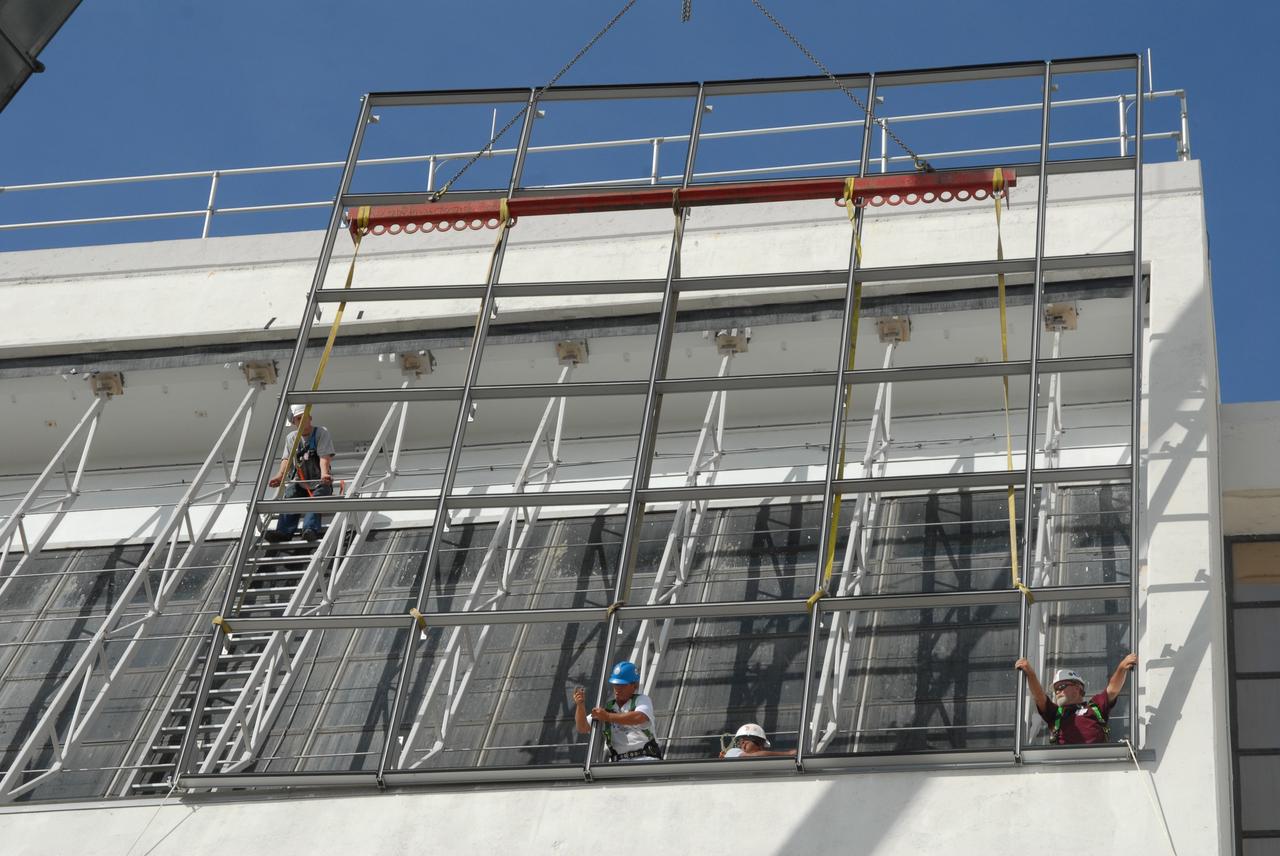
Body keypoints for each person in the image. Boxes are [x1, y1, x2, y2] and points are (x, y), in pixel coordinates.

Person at [1014, 653, 1138, 744]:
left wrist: (1122, 667)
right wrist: (1030, 673)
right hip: (1067, 770)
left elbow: (1113, 689)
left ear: (1077, 688)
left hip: (1099, 765)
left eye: (1062, 686)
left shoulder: (1095, 706)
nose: (1057, 691)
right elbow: (1039, 697)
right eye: (1056, 689)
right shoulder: (1056, 714)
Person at [265, 404, 335, 543]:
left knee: (317, 498)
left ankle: (309, 530)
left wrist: (324, 474)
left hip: (319, 481)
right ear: (293, 422)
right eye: (298, 419)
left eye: (304, 417)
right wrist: (280, 475)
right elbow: (287, 459)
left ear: (310, 418)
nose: (302, 421)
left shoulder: (321, 432)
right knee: (290, 496)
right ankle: (283, 532)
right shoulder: (291, 438)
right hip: (300, 481)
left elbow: (324, 456)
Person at [574, 661, 662, 762]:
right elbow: (582, 728)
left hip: (647, 759)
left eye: (622, 685)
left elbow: (639, 717)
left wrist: (607, 717)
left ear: (634, 686)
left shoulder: (641, 700)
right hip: (618, 764)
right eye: (616, 685)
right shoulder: (607, 708)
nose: (617, 689)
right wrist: (580, 706)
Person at [719, 723, 796, 759]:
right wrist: (788, 754)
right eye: (741, 741)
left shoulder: (763, 760)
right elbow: (759, 755)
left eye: (746, 739)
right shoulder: (732, 752)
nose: (742, 743)